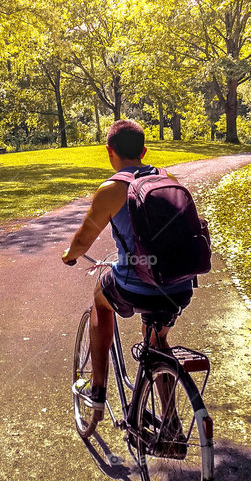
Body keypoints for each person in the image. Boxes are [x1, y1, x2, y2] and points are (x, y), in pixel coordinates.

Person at [62, 119, 194, 417]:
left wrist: (69, 256)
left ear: (110, 152)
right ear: (144, 151)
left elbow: (83, 241)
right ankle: (170, 421)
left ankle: (97, 391)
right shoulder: (169, 179)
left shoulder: (111, 189)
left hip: (134, 285)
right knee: (158, 342)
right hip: (178, 284)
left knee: (100, 299)